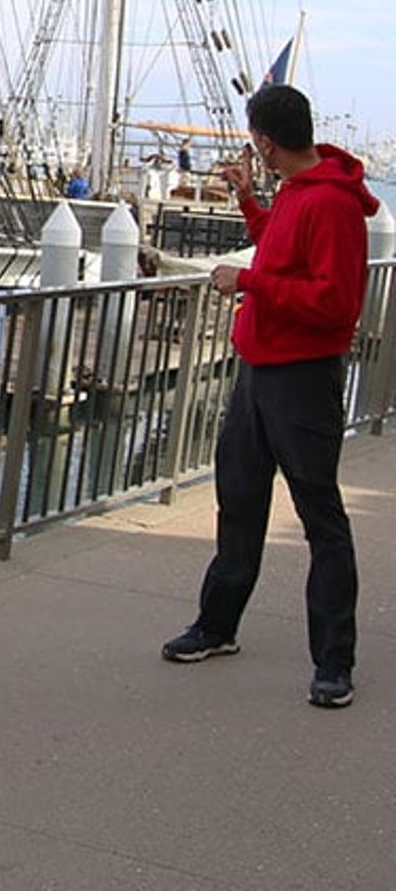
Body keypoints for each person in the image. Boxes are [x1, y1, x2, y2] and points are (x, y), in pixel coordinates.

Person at [160, 85, 379, 709]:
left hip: (303, 377)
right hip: (259, 370)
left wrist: (247, 279)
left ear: (266, 140)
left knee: (321, 518)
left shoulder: (331, 204)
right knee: (240, 500)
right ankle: (217, 626)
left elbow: (334, 303)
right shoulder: (295, 193)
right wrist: (250, 202)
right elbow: (284, 254)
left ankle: (335, 660)